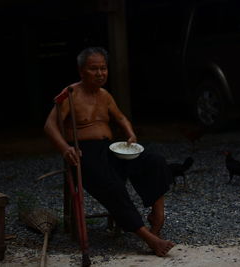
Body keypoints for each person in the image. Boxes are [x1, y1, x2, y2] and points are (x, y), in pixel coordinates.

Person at [44, 47, 175, 256]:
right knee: (113, 186)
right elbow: (49, 126)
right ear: (81, 71)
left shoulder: (105, 95)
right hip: (83, 153)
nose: (100, 73)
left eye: (103, 68)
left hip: (111, 149)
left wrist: (130, 134)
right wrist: (65, 148)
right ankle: (148, 238)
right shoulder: (70, 94)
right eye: (93, 69)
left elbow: (121, 117)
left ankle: (157, 215)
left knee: (154, 160)